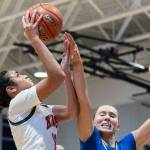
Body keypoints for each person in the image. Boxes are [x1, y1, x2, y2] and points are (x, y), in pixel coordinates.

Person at [0, 10, 78, 150]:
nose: (23, 75)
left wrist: (66, 72)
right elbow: (56, 77)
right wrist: (34, 39)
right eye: (18, 75)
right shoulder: (16, 105)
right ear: (11, 89)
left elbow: (71, 112)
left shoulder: (41, 109)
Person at [66, 33, 150, 150]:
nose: (107, 118)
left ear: (118, 126)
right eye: (102, 114)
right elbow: (83, 99)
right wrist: (77, 62)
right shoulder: (90, 139)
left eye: (112, 115)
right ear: (93, 122)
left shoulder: (127, 144)